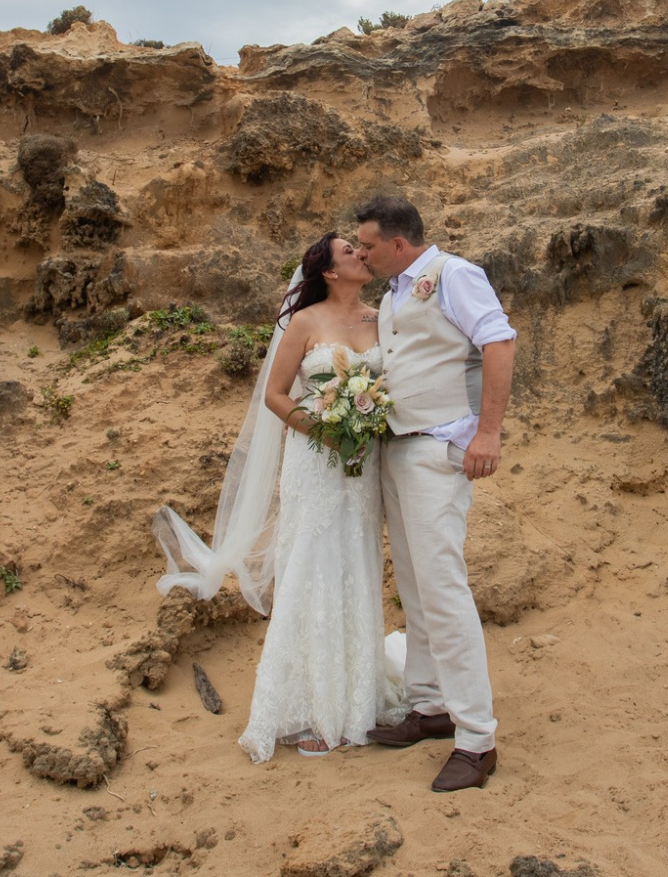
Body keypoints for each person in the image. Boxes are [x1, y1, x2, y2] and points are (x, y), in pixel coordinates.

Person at [150, 231, 406, 762]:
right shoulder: (305, 321)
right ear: (330, 272)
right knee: (311, 565)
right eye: (349, 252)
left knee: (356, 563)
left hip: (362, 464)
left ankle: (356, 699)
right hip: (316, 461)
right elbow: (275, 393)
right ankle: (310, 707)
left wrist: (367, 421)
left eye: (361, 249)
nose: (362, 253)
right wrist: (323, 428)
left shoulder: (382, 316)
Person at [353, 195, 515, 793]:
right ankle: (430, 707)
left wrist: (488, 431)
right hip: (396, 447)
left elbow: (498, 343)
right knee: (416, 584)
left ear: (399, 243)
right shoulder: (395, 290)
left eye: (367, 244)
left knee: (443, 586)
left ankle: (477, 740)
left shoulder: (454, 275)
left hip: (438, 448)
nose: (361, 253)